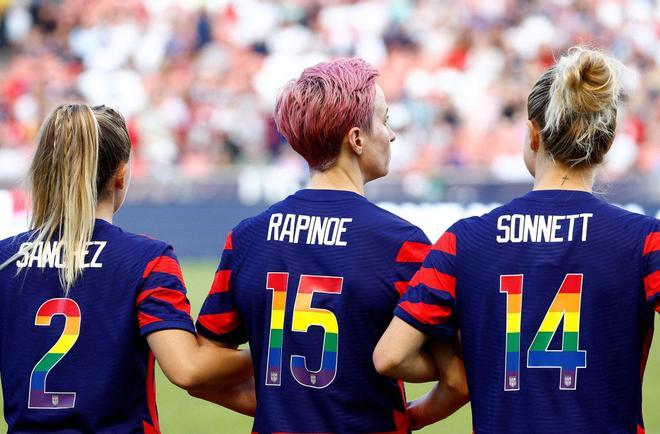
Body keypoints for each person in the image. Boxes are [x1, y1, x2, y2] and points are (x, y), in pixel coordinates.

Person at [374, 46, 659, 433]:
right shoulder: (643, 241)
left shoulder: (464, 240)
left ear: (532, 134)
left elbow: (391, 356)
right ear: (606, 145)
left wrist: (427, 405)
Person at [194, 58, 468, 433]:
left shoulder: (248, 237)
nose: (391, 135)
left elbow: (203, 368)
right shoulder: (400, 245)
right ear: (356, 139)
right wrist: (409, 418)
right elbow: (457, 379)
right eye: (385, 121)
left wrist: (281, 407)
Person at [0, 104, 253, 433]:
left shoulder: (6, 258)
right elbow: (187, 368)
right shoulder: (147, 259)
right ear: (120, 175)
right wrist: (272, 354)